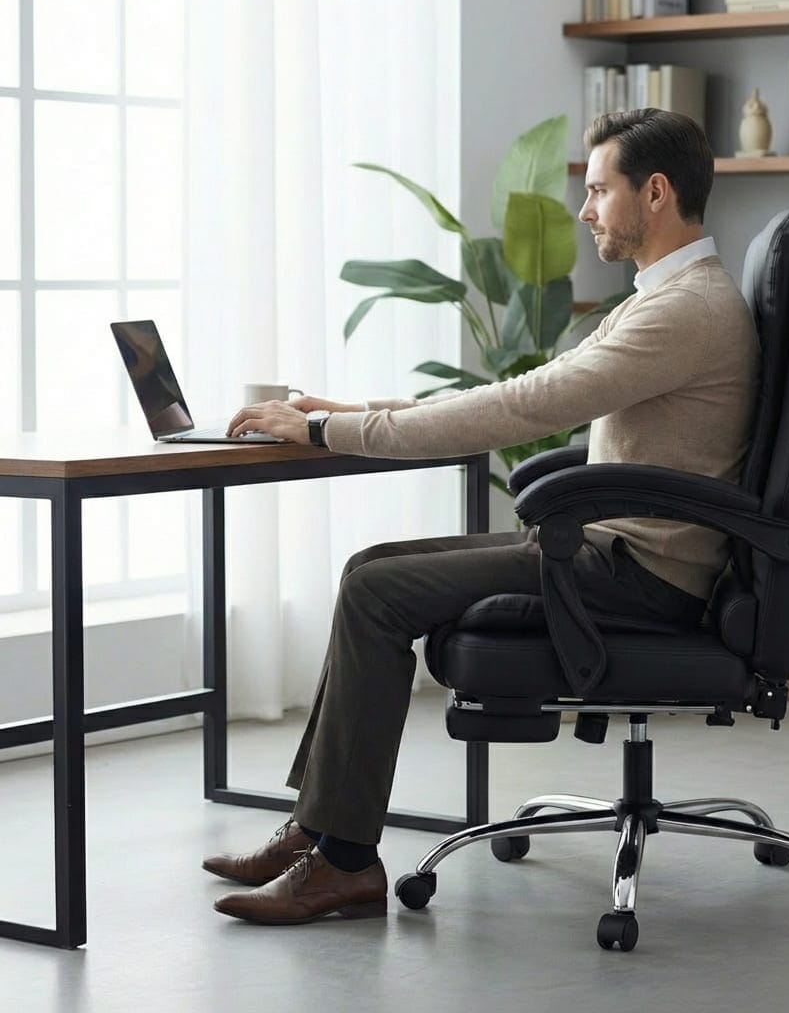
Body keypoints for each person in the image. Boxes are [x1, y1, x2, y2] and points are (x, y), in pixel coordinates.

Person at [203, 108, 760, 926]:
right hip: (616, 551)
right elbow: (529, 389)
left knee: (375, 593)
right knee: (370, 569)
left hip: (639, 573)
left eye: (599, 190)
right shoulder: (667, 298)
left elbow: (524, 406)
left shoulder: (684, 312)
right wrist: (353, 411)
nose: (585, 210)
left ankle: (345, 865)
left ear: (655, 192)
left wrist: (328, 433)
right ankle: (317, 830)